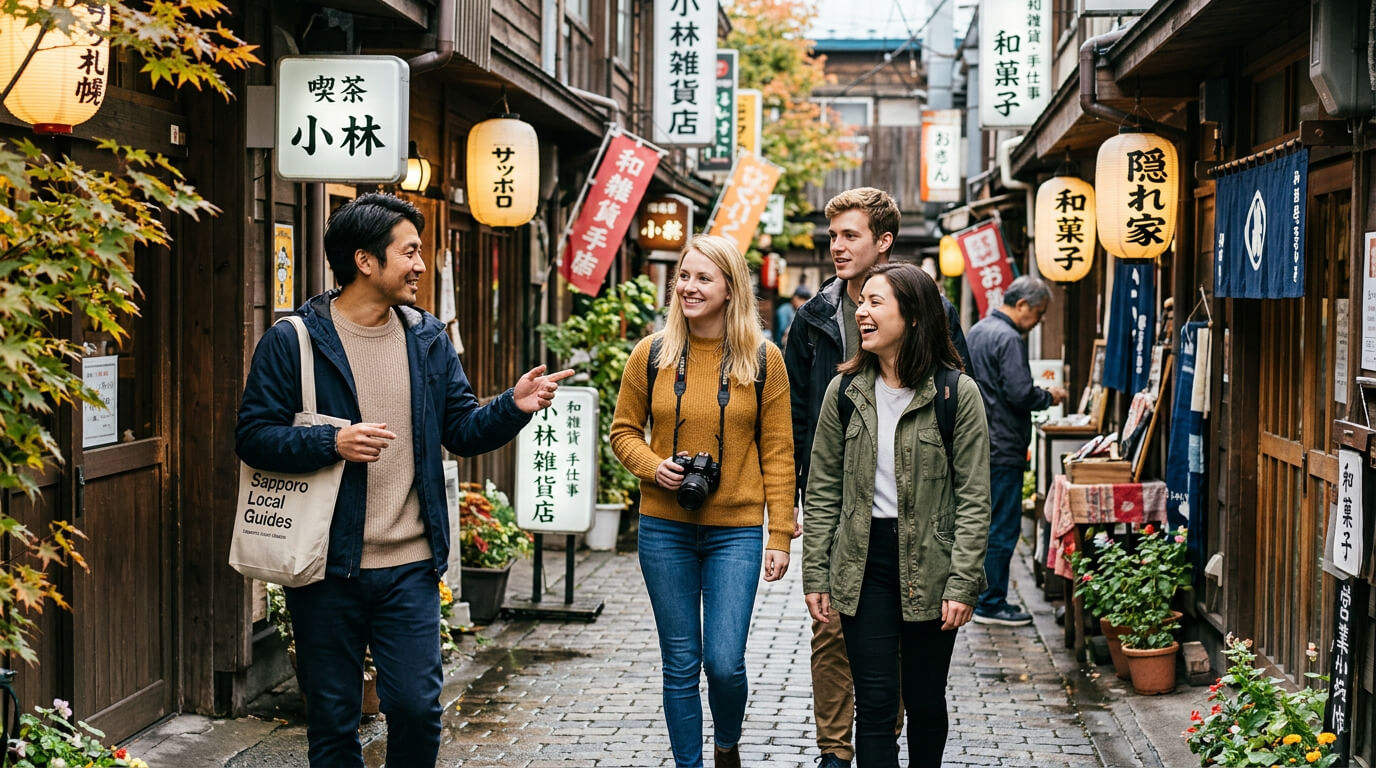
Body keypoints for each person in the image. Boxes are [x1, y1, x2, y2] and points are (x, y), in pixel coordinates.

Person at [235, 193, 573, 767]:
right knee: (333, 721)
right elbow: (253, 435)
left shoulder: (428, 338)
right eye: (410, 252)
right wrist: (330, 442)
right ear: (365, 261)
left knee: (418, 708)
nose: (420, 265)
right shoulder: (293, 341)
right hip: (325, 569)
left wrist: (512, 407)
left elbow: (462, 428)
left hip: (410, 567)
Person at [783, 186, 969, 768]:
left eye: (849, 236)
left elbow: (953, 394)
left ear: (882, 242)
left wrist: (960, 571)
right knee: (833, 642)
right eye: (832, 236)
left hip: (915, 522)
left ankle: (882, 741)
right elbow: (790, 419)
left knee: (908, 678)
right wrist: (792, 505)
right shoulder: (812, 319)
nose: (836, 247)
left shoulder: (932, 315)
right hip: (840, 506)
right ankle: (838, 754)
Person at [610, 234, 795, 768]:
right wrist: (654, 466)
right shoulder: (651, 354)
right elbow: (624, 432)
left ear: (731, 288)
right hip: (663, 527)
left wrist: (779, 533)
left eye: (702, 278)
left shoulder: (764, 359)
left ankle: (727, 744)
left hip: (735, 530)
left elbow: (779, 451)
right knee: (680, 663)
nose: (688, 287)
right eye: (684, 277)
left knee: (723, 662)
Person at [965, 275, 1067, 627]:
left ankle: (980, 596)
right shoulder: (1008, 338)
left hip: (979, 441)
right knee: (1003, 526)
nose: (1037, 321)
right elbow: (1020, 393)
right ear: (1023, 304)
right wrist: (1048, 396)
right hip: (1003, 443)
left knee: (983, 521)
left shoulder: (978, 331)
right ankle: (991, 602)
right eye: (1038, 313)